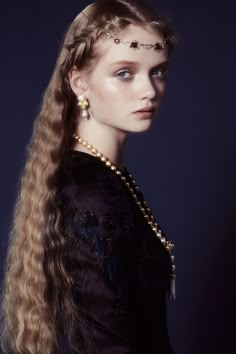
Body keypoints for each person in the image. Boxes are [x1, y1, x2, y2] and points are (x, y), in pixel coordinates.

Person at [0, 0, 178, 353]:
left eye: (157, 71)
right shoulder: (91, 193)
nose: (149, 90)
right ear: (79, 81)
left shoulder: (106, 177)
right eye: (124, 73)